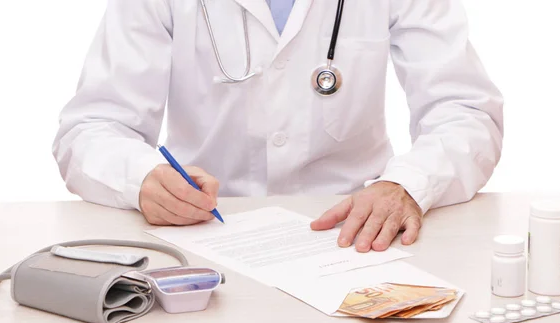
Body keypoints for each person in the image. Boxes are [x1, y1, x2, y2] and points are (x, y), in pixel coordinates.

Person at [52, 0, 503, 253]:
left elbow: (466, 111)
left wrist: (406, 185)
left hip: (356, 237)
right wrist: (142, 180)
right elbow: (92, 127)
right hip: (203, 235)